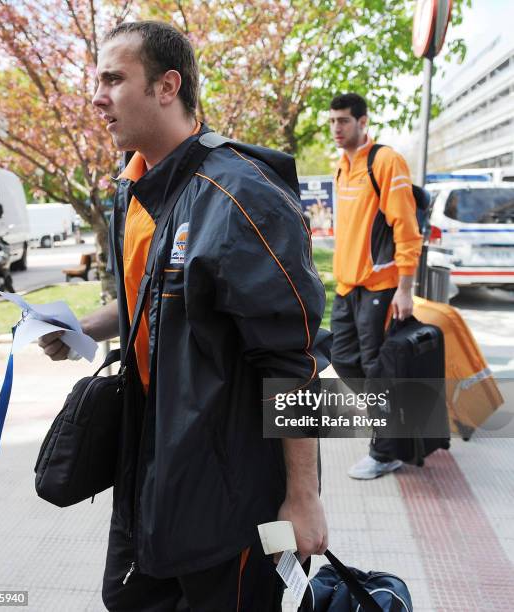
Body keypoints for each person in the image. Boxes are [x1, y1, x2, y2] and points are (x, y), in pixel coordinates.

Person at [39, 20, 329, 611]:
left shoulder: (240, 195)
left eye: (113, 79)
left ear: (167, 86)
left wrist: (303, 496)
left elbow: (293, 360)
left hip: (229, 494)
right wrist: (86, 327)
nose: (96, 97)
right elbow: (163, 290)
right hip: (149, 468)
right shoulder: (136, 185)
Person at [329, 93, 422, 480]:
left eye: (344, 121)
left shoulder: (385, 161)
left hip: (380, 286)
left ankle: (385, 452)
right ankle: (387, 419)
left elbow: (407, 229)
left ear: (363, 122)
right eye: (332, 121)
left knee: (375, 368)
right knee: (343, 359)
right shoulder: (341, 165)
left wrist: (405, 288)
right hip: (347, 285)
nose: (336, 128)